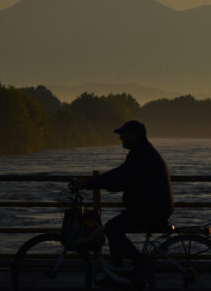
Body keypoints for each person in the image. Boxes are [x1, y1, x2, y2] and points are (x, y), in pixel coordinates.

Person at [72, 120, 174, 282]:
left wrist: (88, 183)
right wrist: (99, 183)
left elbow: (119, 176)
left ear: (135, 136)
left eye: (123, 135)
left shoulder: (141, 154)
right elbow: (121, 179)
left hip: (151, 209)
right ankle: (120, 272)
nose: (121, 138)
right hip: (152, 207)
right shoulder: (142, 152)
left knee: (112, 228)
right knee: (114, 228)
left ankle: (139, 265)